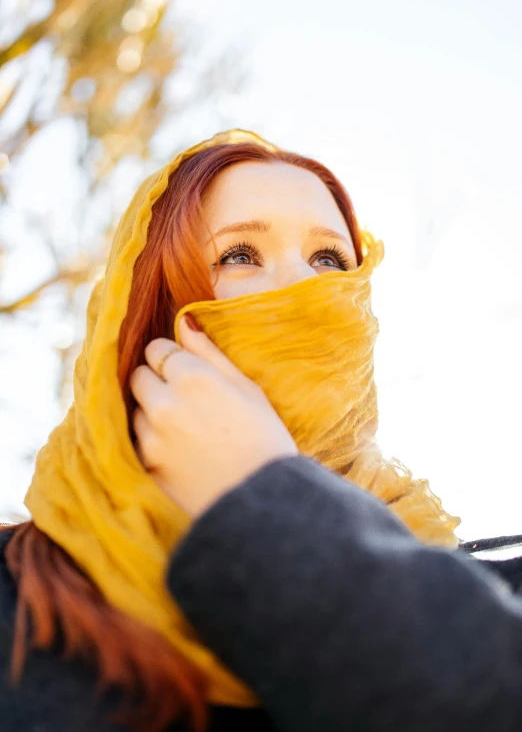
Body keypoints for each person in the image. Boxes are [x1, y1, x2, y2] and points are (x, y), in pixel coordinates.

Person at [0, 129, 520, 732]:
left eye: (329, 260)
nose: (304, 284)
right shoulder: (14, 593)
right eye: (241, 254)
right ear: (152, 309)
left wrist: (259, 497)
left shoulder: (483, 597)